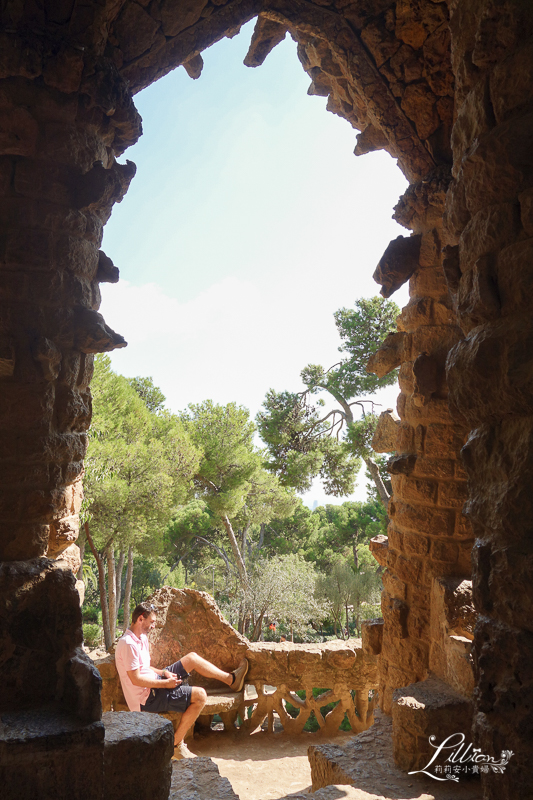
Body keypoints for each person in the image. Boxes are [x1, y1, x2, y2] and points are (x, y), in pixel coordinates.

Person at [115, 602, 249, 759]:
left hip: (156, 682)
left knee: (192, 658)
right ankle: (175, 745)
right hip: (146, 698)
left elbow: (145, 667)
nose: (153, 626)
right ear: (140, 619)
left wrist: (164, 673)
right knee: (201, 696)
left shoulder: (141, 638)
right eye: (151, 622)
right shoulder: (128, 644)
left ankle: (231, 680)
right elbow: (136, 679)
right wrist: (166, 684)